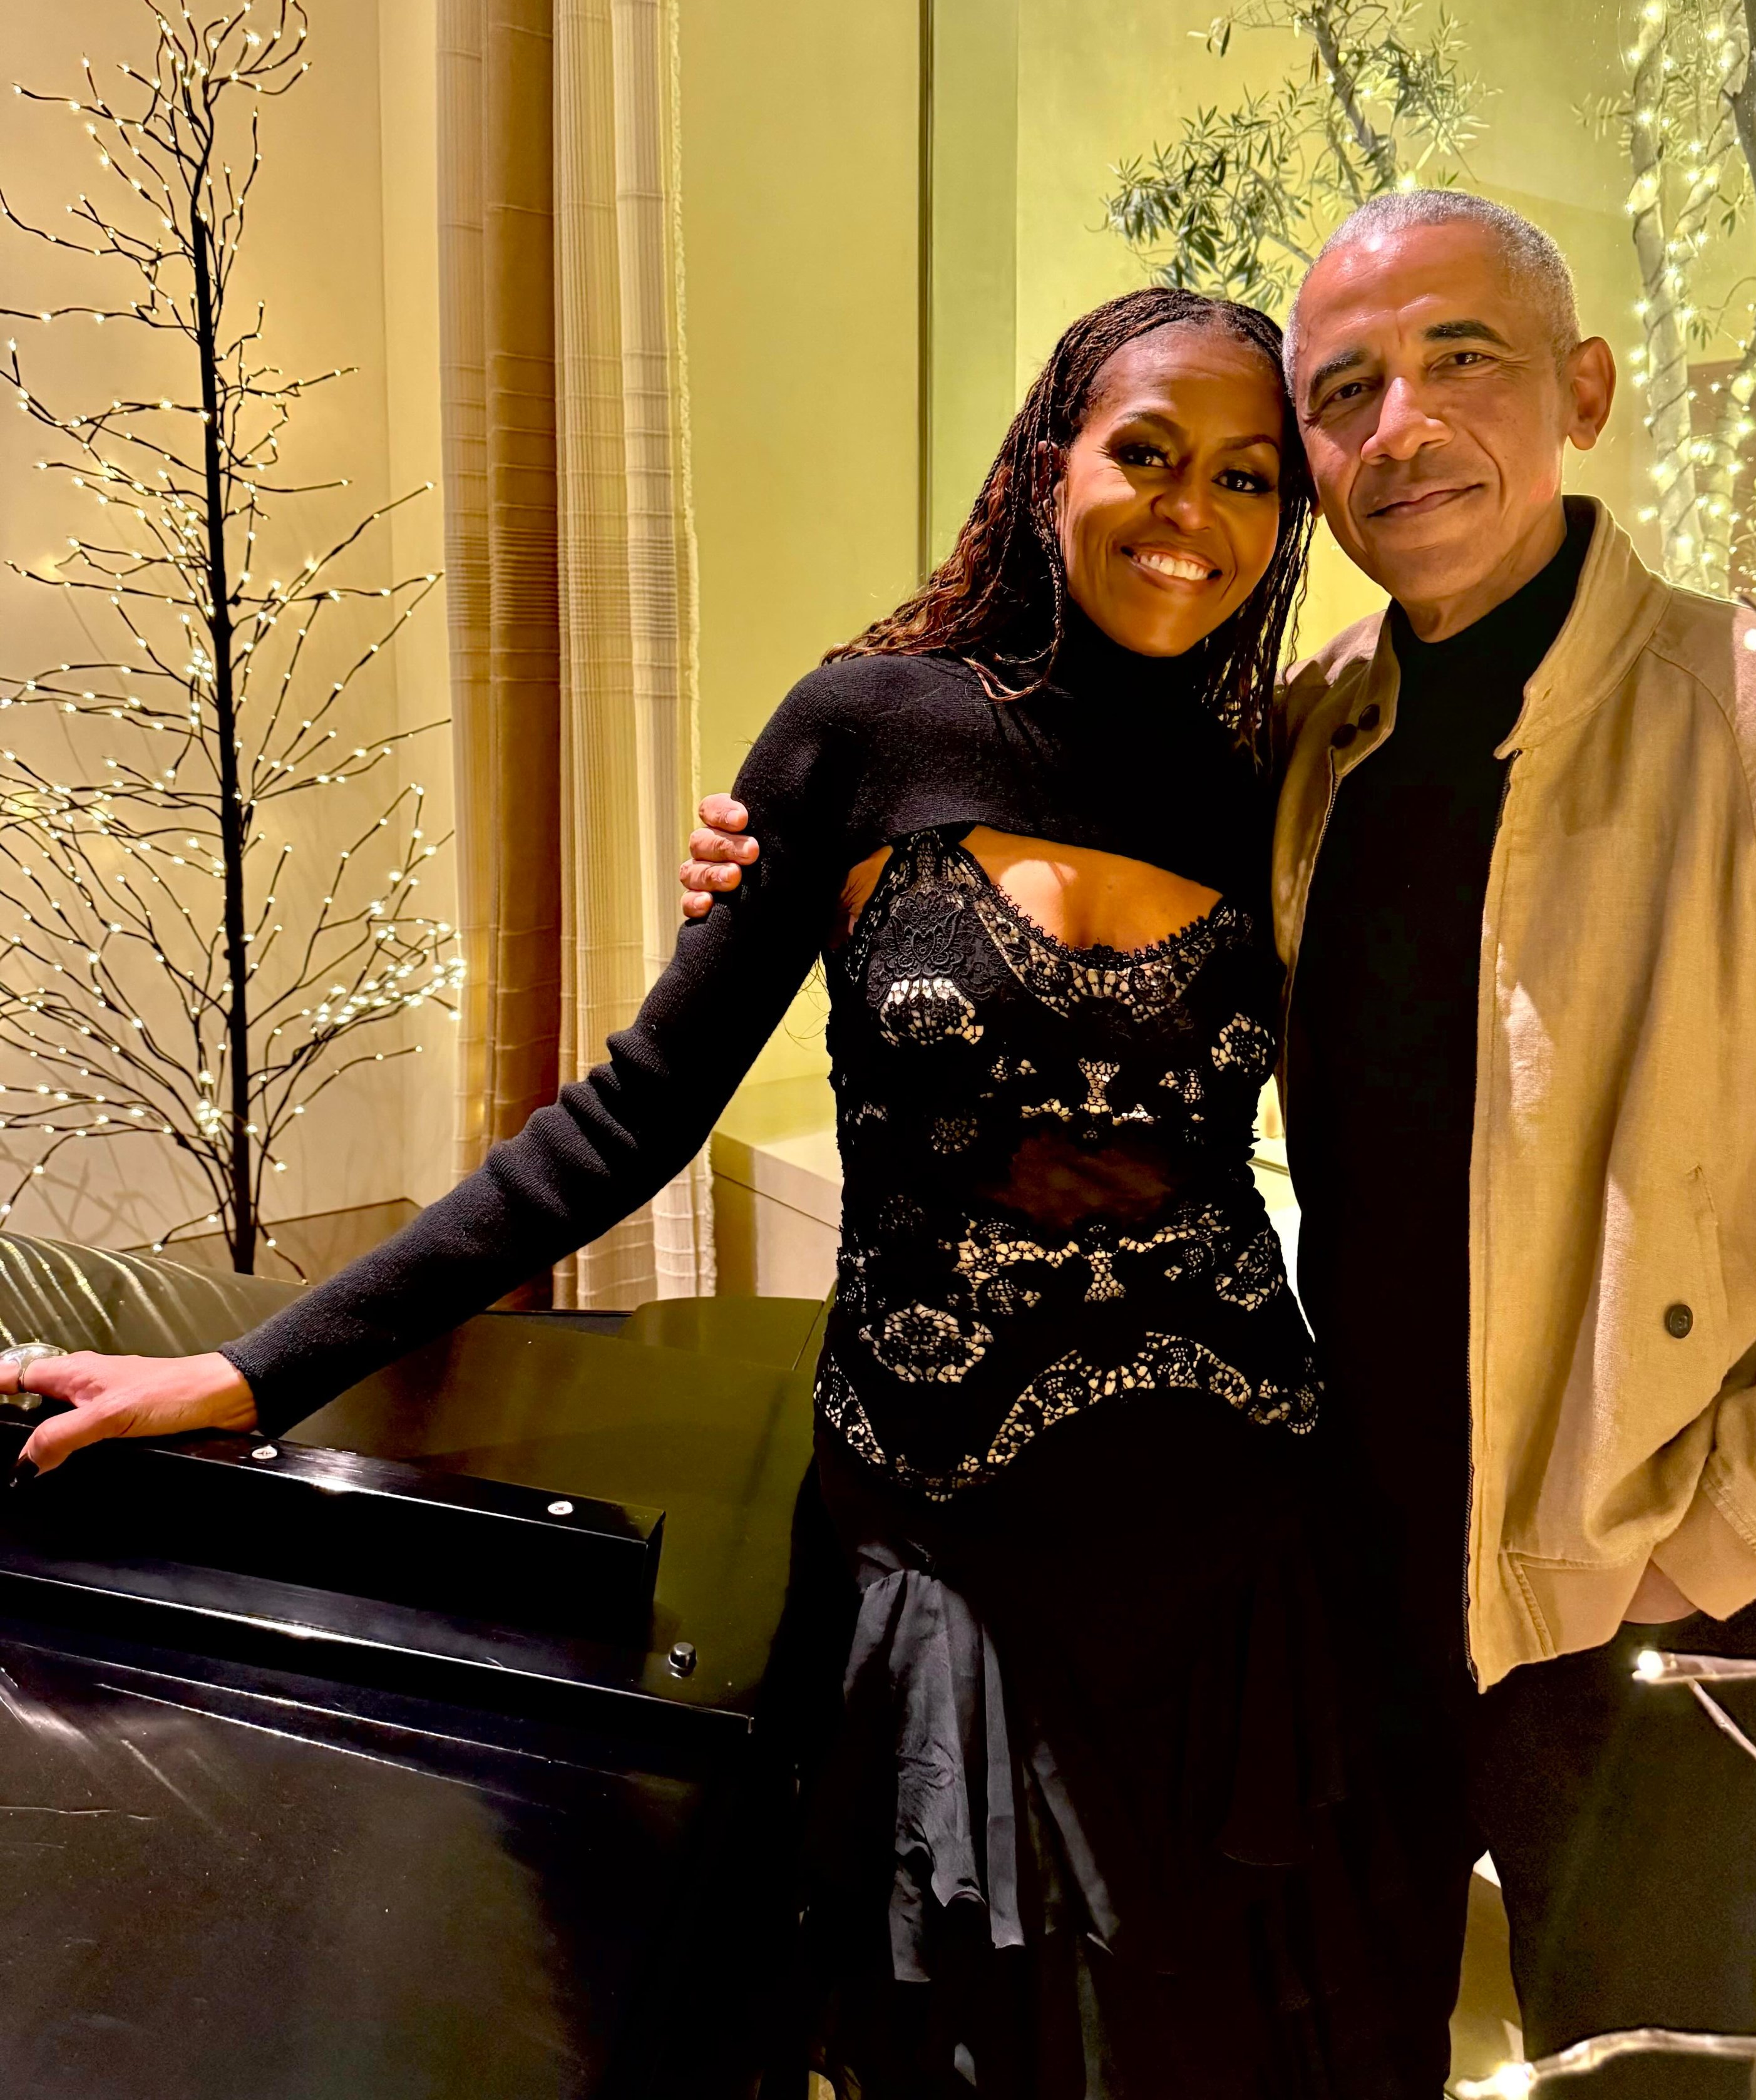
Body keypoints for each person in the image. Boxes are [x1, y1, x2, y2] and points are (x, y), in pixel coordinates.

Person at [4, 286, 1407, 2100]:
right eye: (1146, 451)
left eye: (1248, 478)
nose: (1188, 512)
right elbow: (625, 1126)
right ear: (1053, 452)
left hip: (1235, 1564)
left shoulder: (1274, 785)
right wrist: (255, 1373)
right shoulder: (860, 733)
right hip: (943, 1563)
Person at [682, 193, 1756, 2100]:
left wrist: (1717, 1537)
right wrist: (784, 866)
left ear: (1584, 391)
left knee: (1649, 2084)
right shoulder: (1315, 735)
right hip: (1354, 1585)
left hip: (1646, 1623)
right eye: (1345, 390)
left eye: (1464, 361)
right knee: (1363, 2055)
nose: (1402, 423)